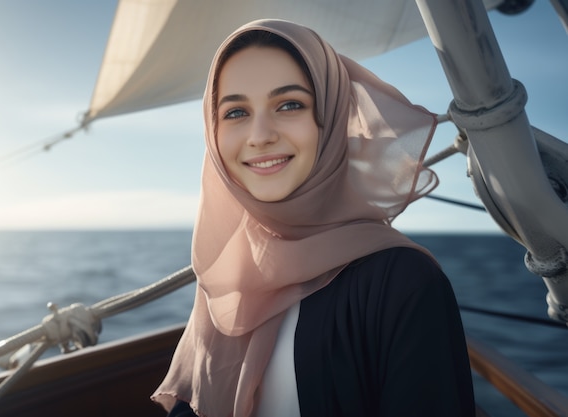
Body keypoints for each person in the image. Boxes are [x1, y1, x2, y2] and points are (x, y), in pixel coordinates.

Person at [152, 19, 475, 417]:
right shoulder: (231, 271)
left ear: (332, 117)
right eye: (235, 111)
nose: (260, 134)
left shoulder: (403, 281)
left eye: (289, 105)